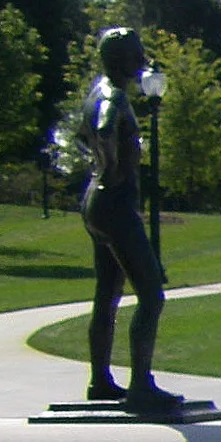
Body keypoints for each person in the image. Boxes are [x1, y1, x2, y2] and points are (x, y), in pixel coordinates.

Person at [77, 28, 180, 417]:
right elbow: (102, 130)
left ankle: (100, 380)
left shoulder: (94, 91)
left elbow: (82, 134)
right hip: (114, 203)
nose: (142, 61)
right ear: (119, 59)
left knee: (108, 293)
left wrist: (99, 168)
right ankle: (140, 387)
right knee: (151, 295)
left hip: (95, 203)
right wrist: (113, 169)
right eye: (137, 55)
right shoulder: (112, 96)